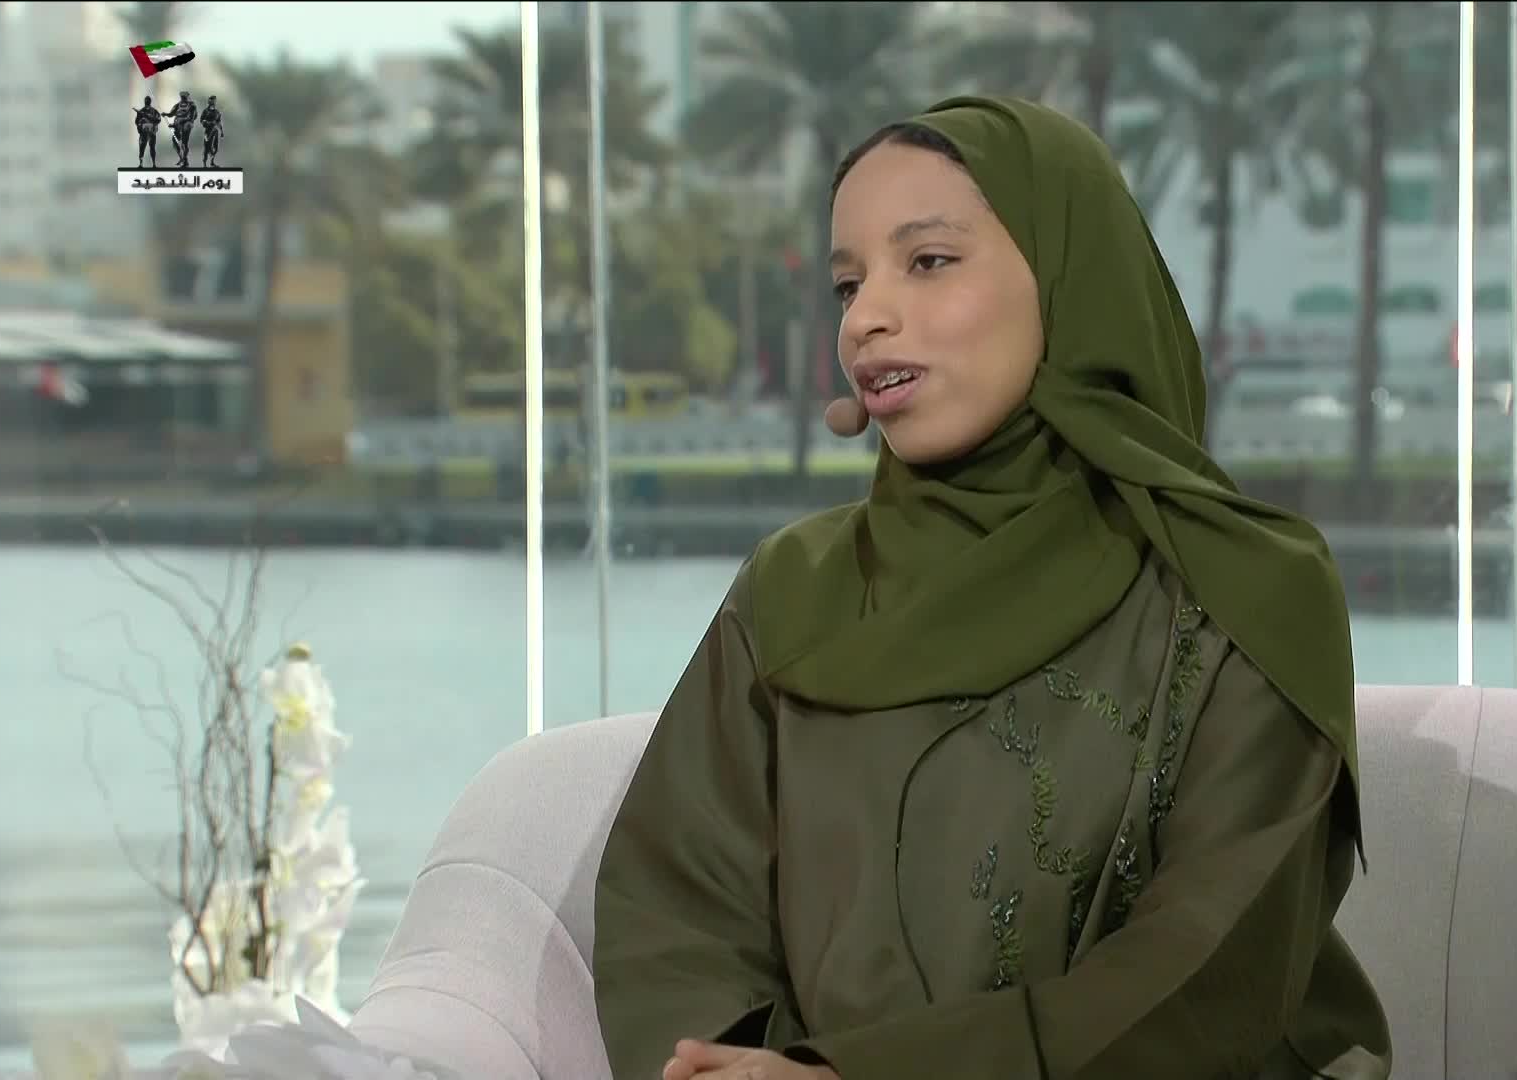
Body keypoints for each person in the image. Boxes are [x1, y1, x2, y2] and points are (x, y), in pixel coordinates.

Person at [593, 94, 1392, 1080]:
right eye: (848, 284)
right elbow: (675, 912)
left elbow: (1211, 972)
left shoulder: (1246, 589)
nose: (866, 318)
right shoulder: (792, 591)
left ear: (1068, 281)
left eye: (929, 261)